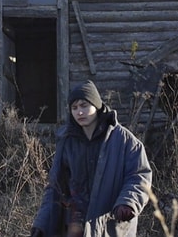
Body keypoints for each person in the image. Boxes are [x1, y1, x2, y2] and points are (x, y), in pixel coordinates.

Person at [30, 81, 152, 237]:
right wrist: (42, 224)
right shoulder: (67, 141)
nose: (79, 112)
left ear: (97, 105)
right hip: (74, 226)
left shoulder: (124, 141)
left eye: (84, 106)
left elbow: (139, 176)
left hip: (111, 225)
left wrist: (128, 202)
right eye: (74, 108)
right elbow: (56, 187)